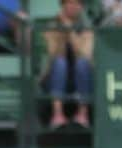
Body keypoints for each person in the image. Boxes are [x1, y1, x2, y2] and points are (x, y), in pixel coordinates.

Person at [41, 0, 95, 129]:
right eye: (68, 3)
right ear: (62, 6)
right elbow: (52, 53)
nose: (72, 6)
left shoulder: (87, 28)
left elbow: (85, 55)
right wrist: (61, 33)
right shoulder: (52, 25)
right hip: (54, 78)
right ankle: (57, 115)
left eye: (76, 3)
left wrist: (69, 30)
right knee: (60, 63)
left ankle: (83, 114)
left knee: (82, 64)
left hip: (83, 78)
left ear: (81, 6)